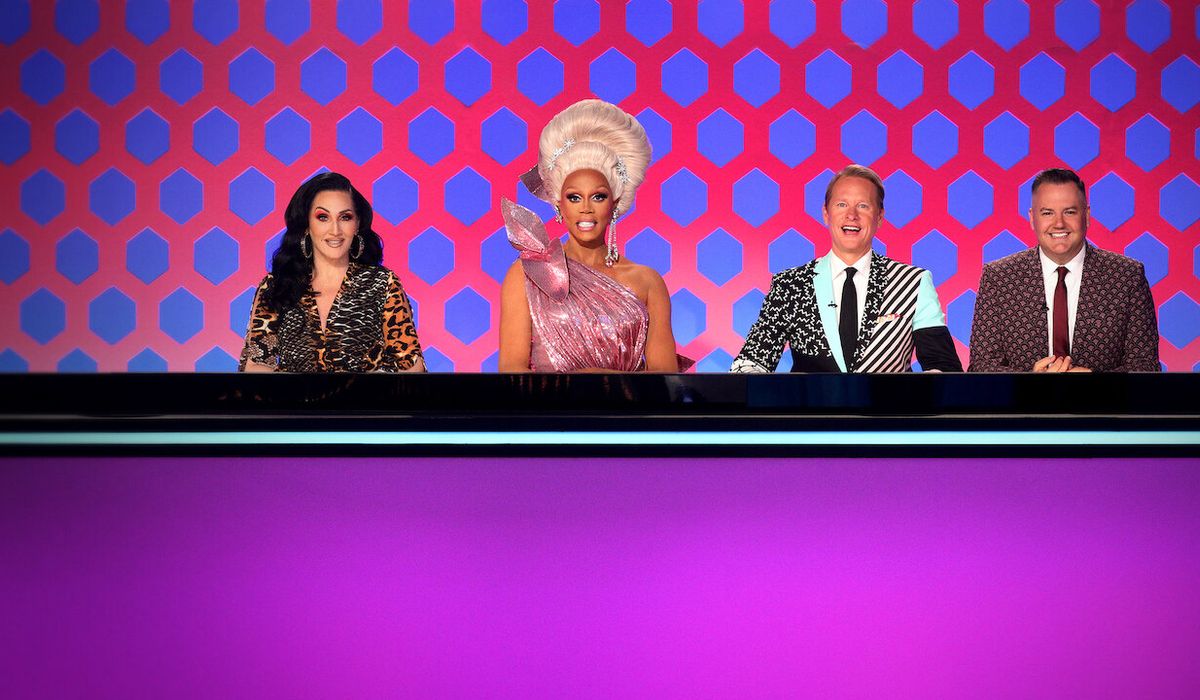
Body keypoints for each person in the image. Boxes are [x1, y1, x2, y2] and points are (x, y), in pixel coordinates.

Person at [498, 99, 683, 372]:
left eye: (598, 196)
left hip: (627, 403)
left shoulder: (648, 282)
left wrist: (602, 380)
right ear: (559, 204)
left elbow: (665, 379)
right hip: (549, 403)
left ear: (614, 203)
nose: (586, 207)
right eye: (574, 197)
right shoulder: (526, 274)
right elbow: (512, 372)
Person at [731, 164, 962, 373]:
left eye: (863, 206)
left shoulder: (912, 282)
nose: (852, 215)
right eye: (842, 204)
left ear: (880, 217)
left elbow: (945, 368)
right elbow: (751, 362)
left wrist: (927, 387)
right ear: (826, 214)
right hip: (811, 408)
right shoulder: (790, 285)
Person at [968, 168, 1159, 372]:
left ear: (1086, 215)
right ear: (1032, 218)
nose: (1059, 223)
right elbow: (981, 366)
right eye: (1047, 213)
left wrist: (1098, 384)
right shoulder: (999, 278)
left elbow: (1146, 366)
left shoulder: (1127, 276)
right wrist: (1028, 383)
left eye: (1069, 212)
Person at [239, 172, 425, 372]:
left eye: (345, 217)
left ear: (357, 224)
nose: (335, 230)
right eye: (323, 217)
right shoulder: (278, 285)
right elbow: (255, 365)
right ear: (306, 225)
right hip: (290, 394)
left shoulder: (382, 284)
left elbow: (412, 366)